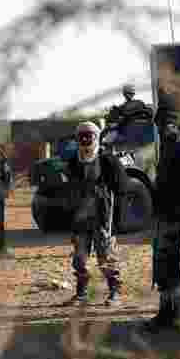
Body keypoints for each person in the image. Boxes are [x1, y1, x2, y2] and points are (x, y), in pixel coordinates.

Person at [143, 90, 180, 333]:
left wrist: (176, 205)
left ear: (172, 124)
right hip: (164, 215)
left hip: (171, 216)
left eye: (165, 123)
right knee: (163, 265)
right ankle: (167, 313)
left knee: (169, 266)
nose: (162, 128)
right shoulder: (169, 148)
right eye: (160, 123)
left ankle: (179, 315)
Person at [65, 121, 128, 305]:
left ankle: (115, 293)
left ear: (96, 137)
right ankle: (82, 294)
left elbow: (122, 189)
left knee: (107, 258)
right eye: (81, 136)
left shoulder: (108, 161)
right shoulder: (72, 162)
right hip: (80, 221)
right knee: (80, 260)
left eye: (89, 136)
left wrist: (117, 220)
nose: (85, 139)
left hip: (103, 220)